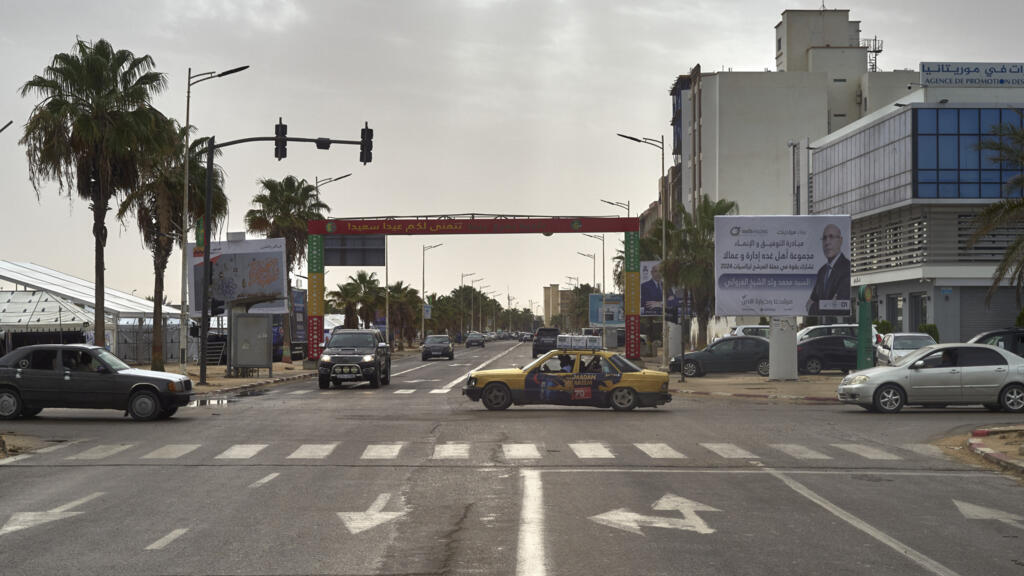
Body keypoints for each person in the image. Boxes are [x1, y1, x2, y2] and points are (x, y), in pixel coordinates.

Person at [806, 223, 851, 316]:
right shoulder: (821, 271)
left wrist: (817, 306)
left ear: (840, 240)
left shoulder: (846, 268)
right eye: (824, 238)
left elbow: (839, 308)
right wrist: (829, 304)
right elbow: (808, 303)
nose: (827, 242)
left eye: (831, 237)